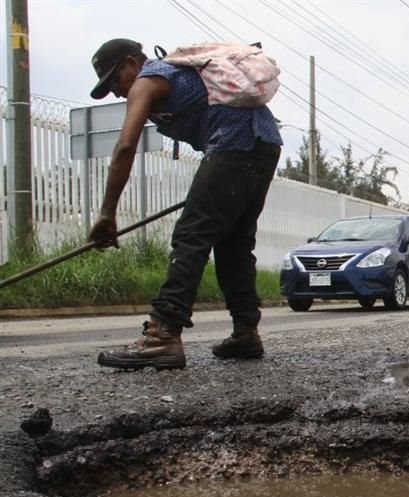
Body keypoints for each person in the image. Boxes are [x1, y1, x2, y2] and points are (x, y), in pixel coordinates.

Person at [87, 39, 282, 370]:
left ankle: (162, 335)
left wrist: (107, 214)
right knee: (234, 242)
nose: (116, 92)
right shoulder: (173, 76)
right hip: (264, 143)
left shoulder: (147, 81)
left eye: (114, 81)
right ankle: (246, 331)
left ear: (131, 64)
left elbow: (124, 148)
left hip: (235, 144)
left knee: (191, 235)